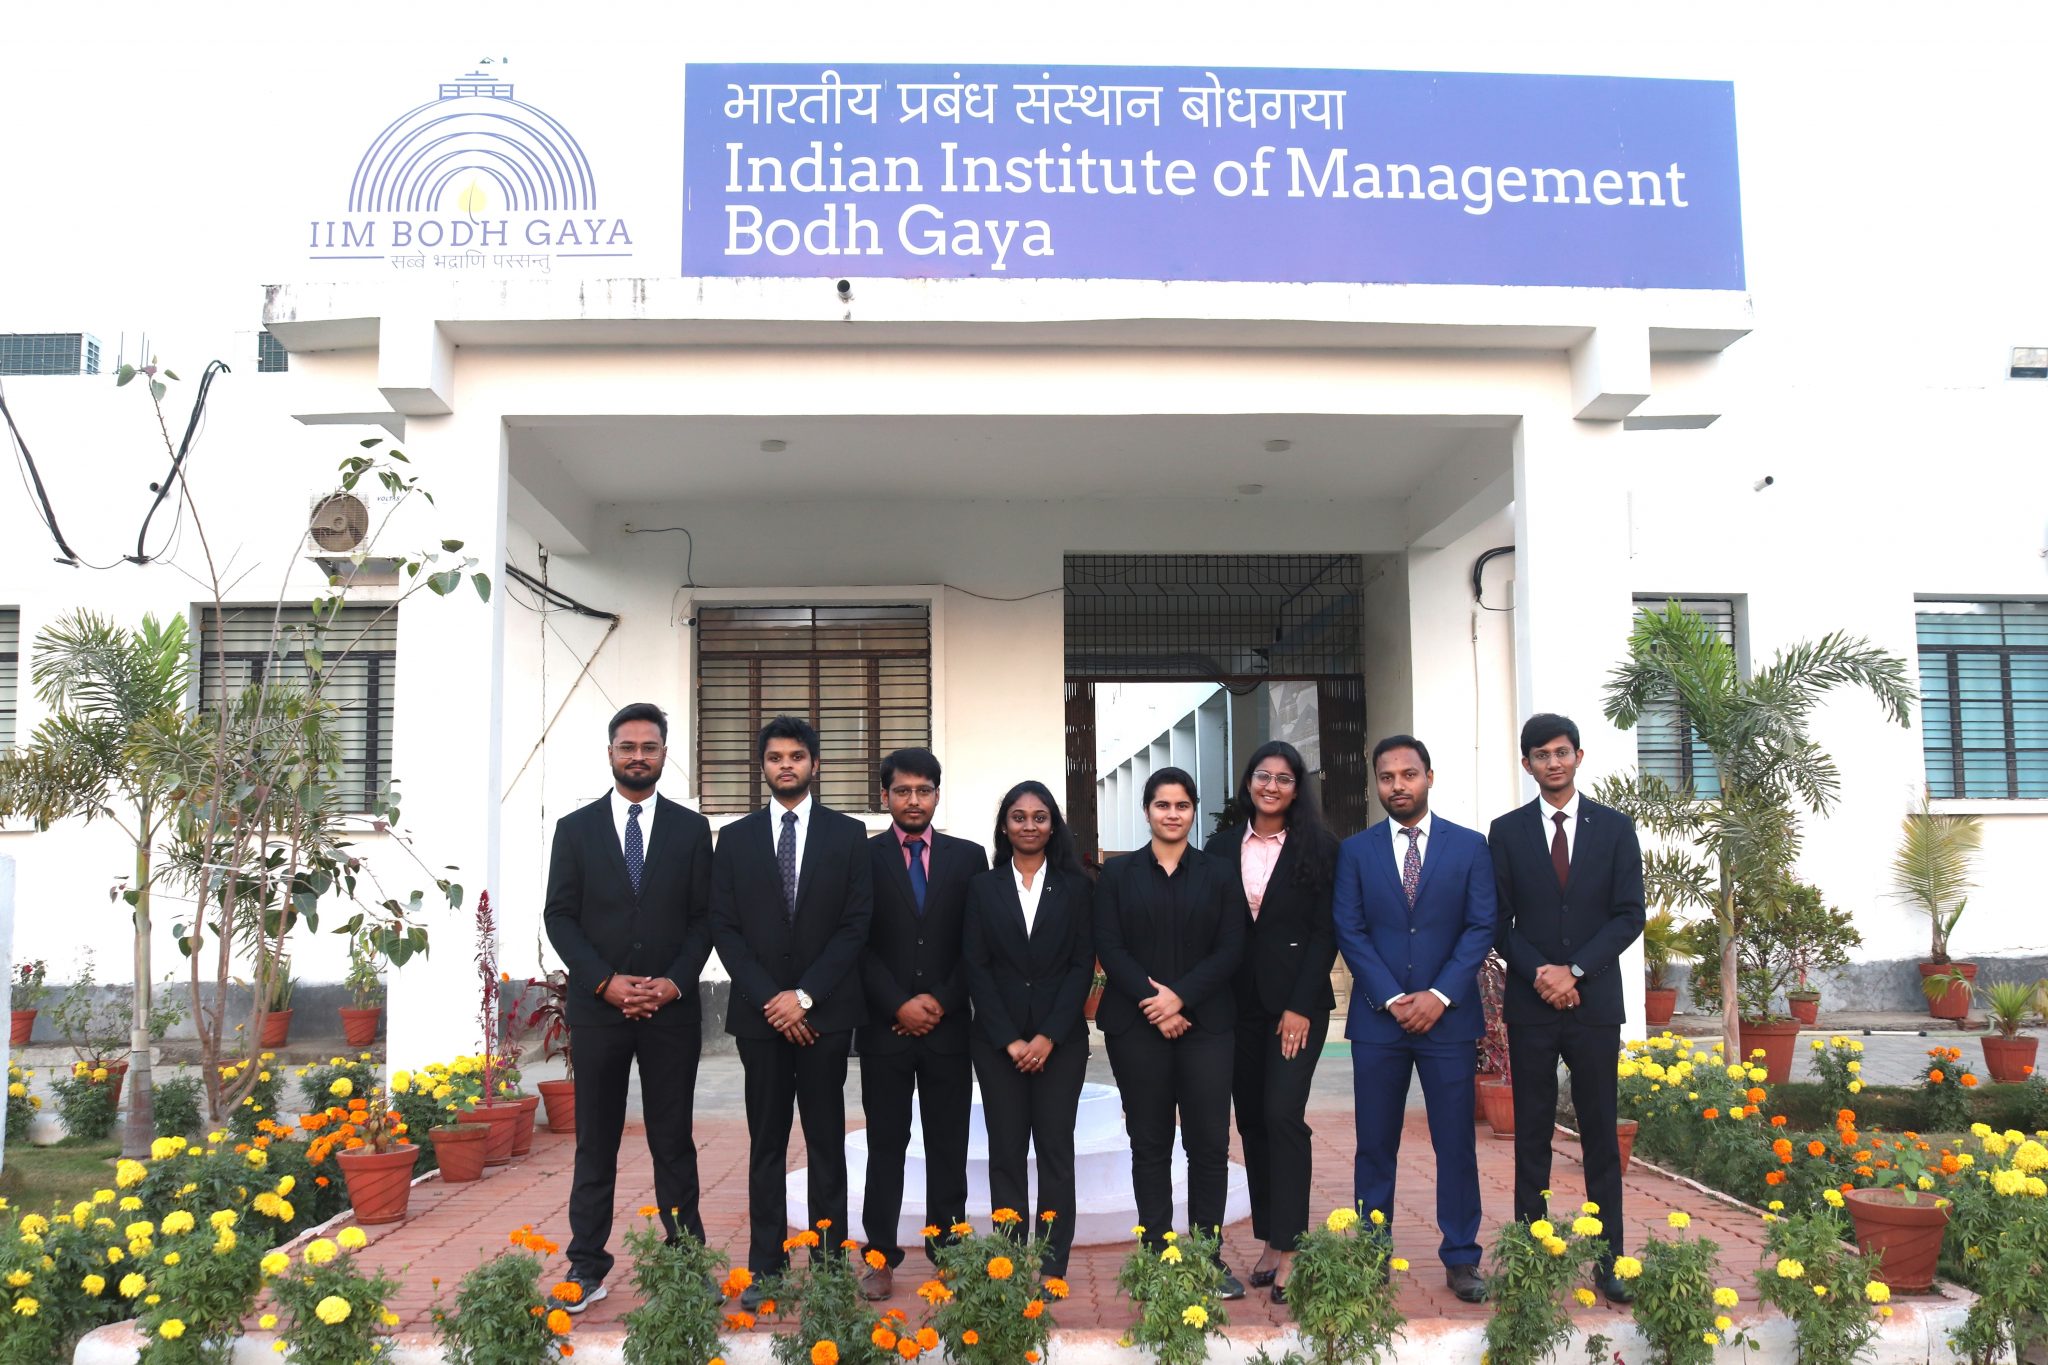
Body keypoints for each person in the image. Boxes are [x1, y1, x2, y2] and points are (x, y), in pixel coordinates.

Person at [542, 702, 714, 1313]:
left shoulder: (692, 830)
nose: (638, 756)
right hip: (599, 1012)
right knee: (596, 1141)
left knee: (673, 1140)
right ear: (610, 752)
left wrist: (674, 982)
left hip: (671, 1012)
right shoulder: (575, 829)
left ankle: (686, 1261)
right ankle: (586, 1265)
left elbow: (704, 919)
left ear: (665, 753)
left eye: (649, 747)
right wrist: (603, 982)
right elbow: (559, 916)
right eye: (627, 746)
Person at [711, 715, 874, 1305]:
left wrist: (804, 997)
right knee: (767, 1146)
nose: (787, 765)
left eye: (797, 756)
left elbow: (856, 924)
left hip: (825, 1017)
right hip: (760, 1021)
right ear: (762, 766)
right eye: (776, 757)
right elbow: (724, 928)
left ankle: (829, 1268)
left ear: (815, 764)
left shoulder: (848, 835)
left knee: (827, 1142)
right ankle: (767, 1268)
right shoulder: (734, 839)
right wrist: (772, 1000)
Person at [1332, 735, 1497, 1305]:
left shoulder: (1470, 847)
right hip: (1379, 1022)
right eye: (1387, 777)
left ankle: (1462, 1256)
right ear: (1376, 783)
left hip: (1449, 1022)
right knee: (1374, 1144)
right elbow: (1349, 929)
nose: (1397, 785)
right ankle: (1371, 1253)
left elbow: (1481, 926)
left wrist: (1440, 995)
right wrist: (1392, 997)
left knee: (1456, 1143)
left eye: (1408, 774)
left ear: (1429, 776)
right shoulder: (1355, 852)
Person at [1490, 713, 1646, 1304]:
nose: (1552, 762)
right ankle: (1531, 1259)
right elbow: (1497, 921)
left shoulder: (1615, 828)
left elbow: (1629, 914)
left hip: (1594, 1005)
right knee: (1530, 1134)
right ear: (1526, 764)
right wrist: (1542, 974)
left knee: (1600, 1134)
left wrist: (1575, 971)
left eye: (1561, 752)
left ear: (1579, 756)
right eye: (1541, 755)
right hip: (1531, 1006)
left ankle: (1610, 1260)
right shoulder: (1506, 832)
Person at [1095, 766, 1247, 1300]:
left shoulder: (1219, 873)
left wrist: (1180, 998)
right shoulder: (1118, 875)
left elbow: (1231, 947)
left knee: (1208, 1144)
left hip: (1207, 1027)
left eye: (1182, 805)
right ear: (1147, 811)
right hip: (1136, 1028)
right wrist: (1157, 1004)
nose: (1172, 814)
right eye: (1162, 805)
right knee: (1150, 1142)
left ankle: (1207, 1258)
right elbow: (1109, 946)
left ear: (1193, 811)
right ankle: (1159, 1255)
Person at [1206, 741, 1340, 1305]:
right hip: (1235, 1006)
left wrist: (1301, 1004)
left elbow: (1325, 932)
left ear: (1296, 787)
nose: (1272, 786)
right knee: (1253, 1122)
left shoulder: (1320, 846)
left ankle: (1292, 1248)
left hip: (1295, 1009)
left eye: (1284, 779)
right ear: (1248, 781)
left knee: (1283, 1115)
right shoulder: (1219, 846)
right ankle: (1270, 1239)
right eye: (1263, 776)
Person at [856, 748, 990, 1299]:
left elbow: (978, 942)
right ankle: (879, 1256)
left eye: (923, 790)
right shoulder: (862, 857)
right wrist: (898, 1004)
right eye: (902, 791)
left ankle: (949, 1251)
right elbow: (855, 941)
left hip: (948, 1028)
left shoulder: (969, 857)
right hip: (884, 1029)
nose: (913, 801)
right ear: (884, 796)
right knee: (885, 1144)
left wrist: (939, 1000)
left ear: (937, 793)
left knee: (948, 1144)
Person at [961, 780, 1095, 1279]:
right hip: (999, 1045)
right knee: (1006, 1152)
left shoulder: (1077, 887)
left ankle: (1052, 1262)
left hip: (1061, 1044)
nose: (1029, 825)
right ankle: (1012, 1259)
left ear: (1053, 825)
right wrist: (1011, 1039)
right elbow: (975, 966)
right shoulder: (983, 887)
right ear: (1004, 826)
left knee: (1056, 1152)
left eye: (1040, 817)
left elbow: (1082, 965)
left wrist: (1047, 1036)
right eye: (1019, 817)